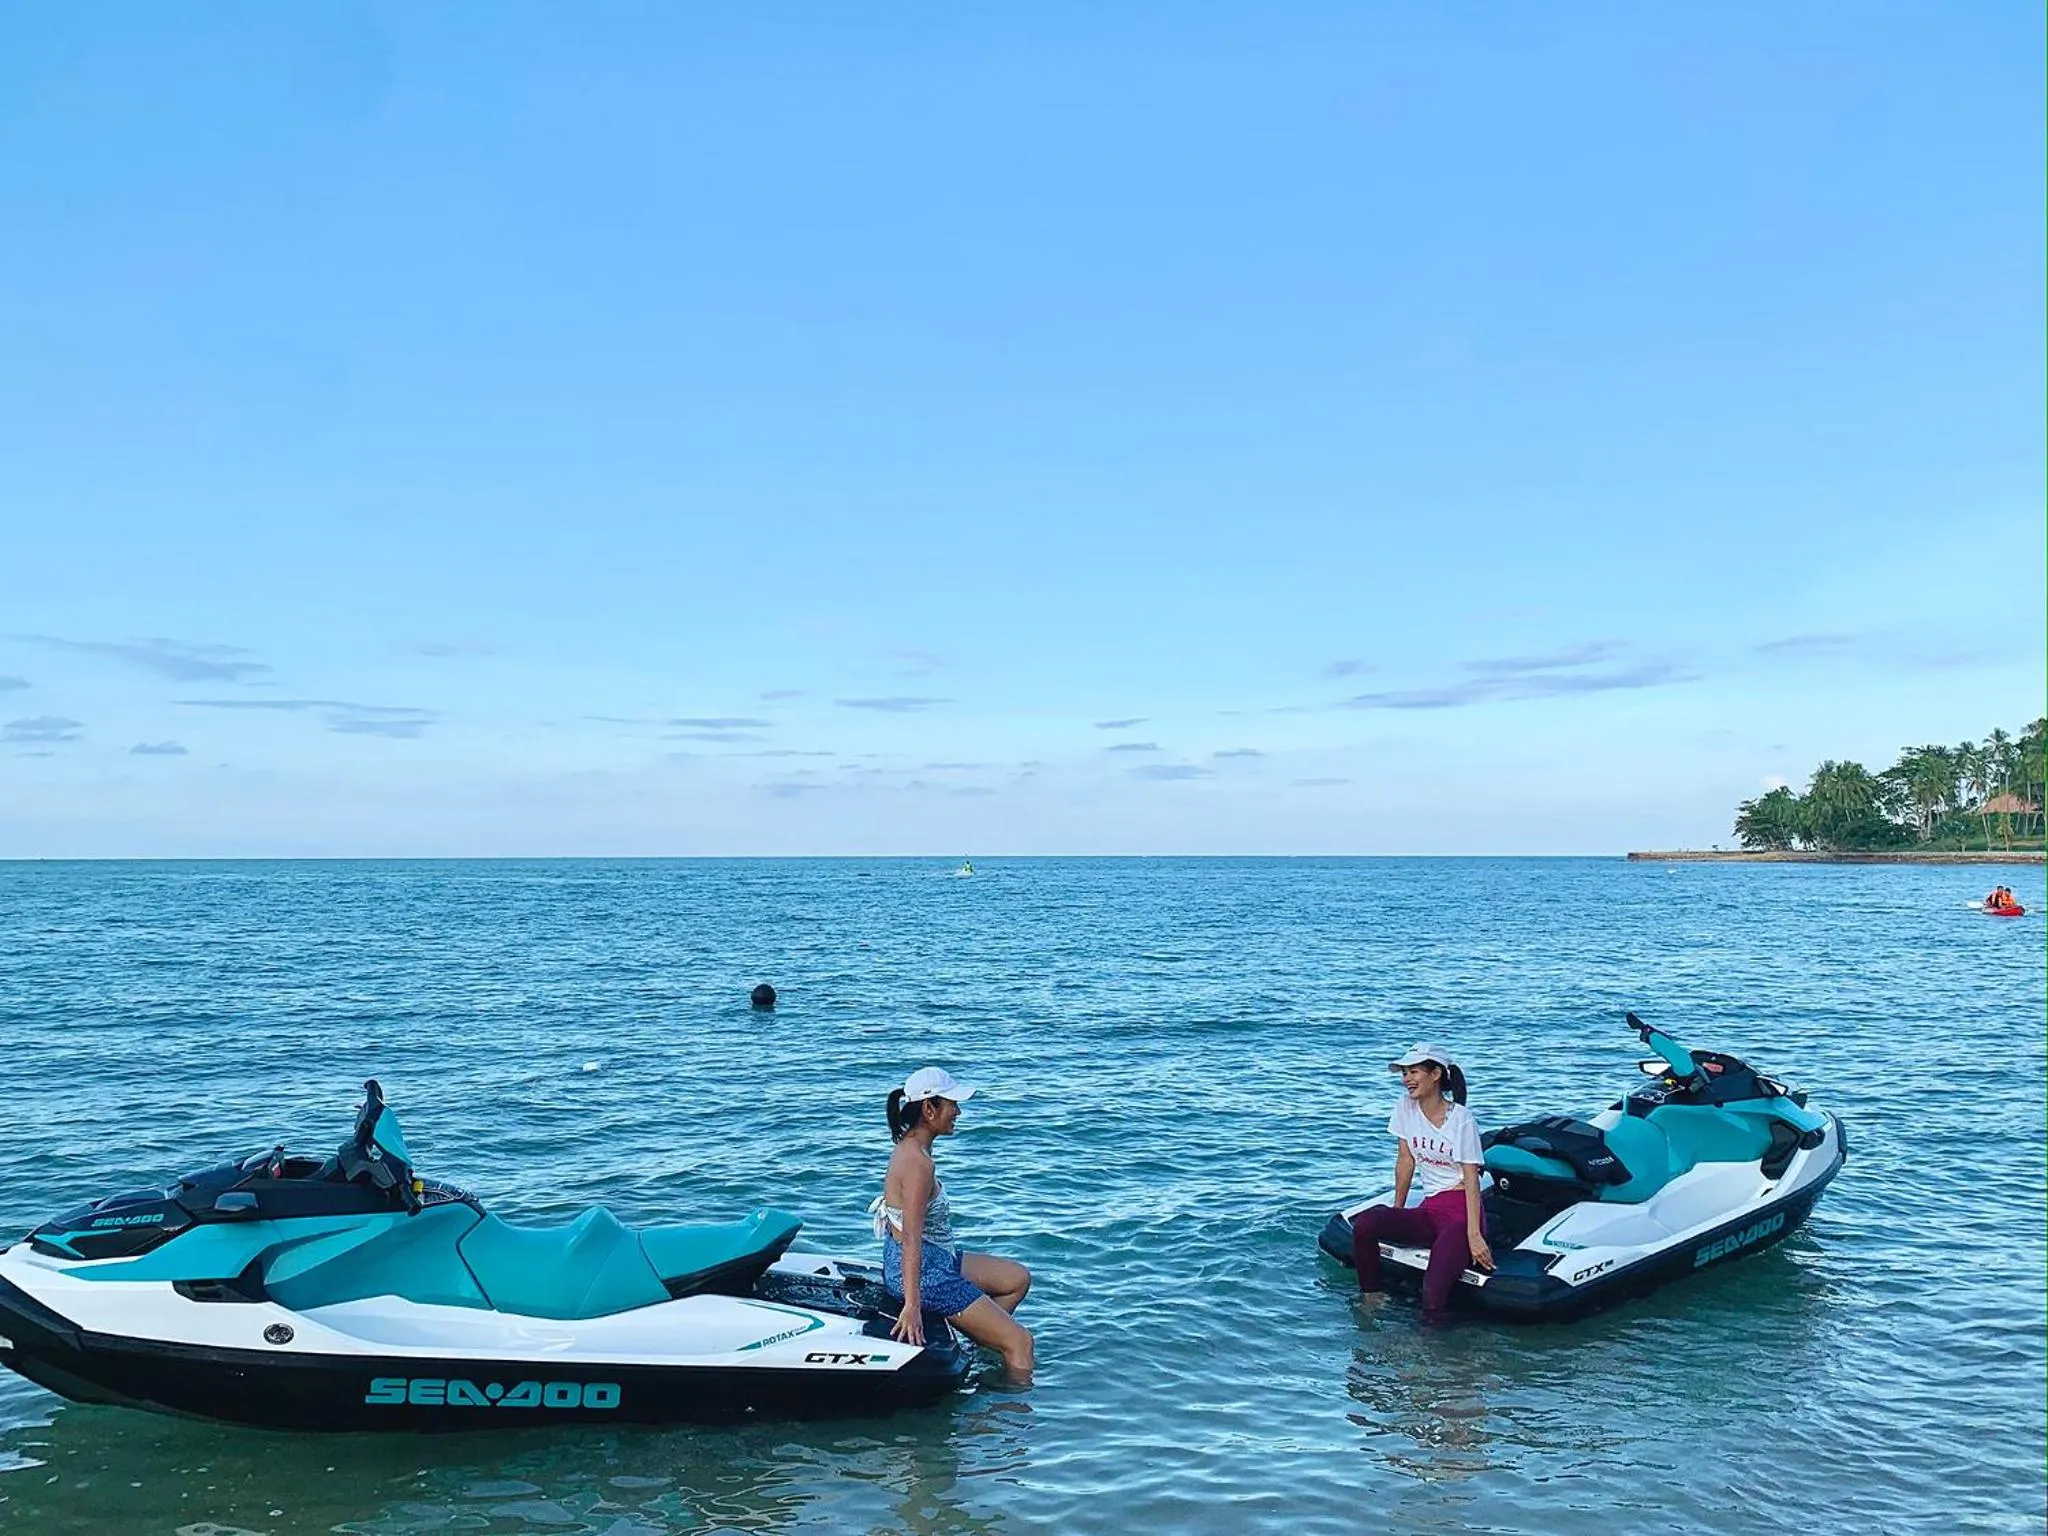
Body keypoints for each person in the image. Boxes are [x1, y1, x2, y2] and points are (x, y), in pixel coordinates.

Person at [872, 1067, 1034, 1380]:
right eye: (952, 1104)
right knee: (1021, 1342)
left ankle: (980, 1342)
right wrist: (912, 1306)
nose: (958, 1111)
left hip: (936, 1257)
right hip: (926, 1273)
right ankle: (1011, 1415)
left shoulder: (913, 1148)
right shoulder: (918, 1164)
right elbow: (910, 1239)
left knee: (1017, 1278)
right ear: (929, 1108)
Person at [1350, 1043, 1494, 1320]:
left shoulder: (1461, 1119)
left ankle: (1435, 1352)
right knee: (1367, 1223)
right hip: (1430, 1209)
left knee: (1432, 1290)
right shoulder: (1405, 1107)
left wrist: (1474, 1235)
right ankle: (1371, 1297)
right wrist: (1397, 1212)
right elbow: (1406, 1162)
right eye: (1404, 1073)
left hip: (1460, 1214)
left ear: (1436, 1074)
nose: (1407, 1079)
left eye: (1414, 1071)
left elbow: (1471, 1179)